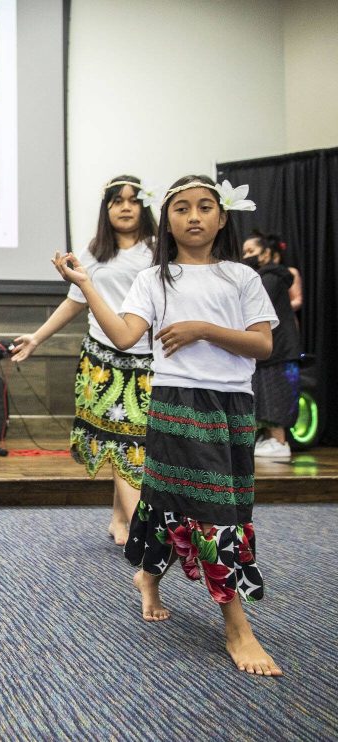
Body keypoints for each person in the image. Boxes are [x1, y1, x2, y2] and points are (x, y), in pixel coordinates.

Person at [53, 174, 282, 676]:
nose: (193, 216)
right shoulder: (153, 280)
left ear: (222, 218)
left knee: (171, 500)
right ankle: (237, 627)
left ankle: (148, 576)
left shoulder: (242, 278)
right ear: (170, 220)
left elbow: (263, 346)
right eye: (181, 208)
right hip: (177, 404)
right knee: (214, 508)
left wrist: (204, 330)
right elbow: (122, 333)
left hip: (232, 407)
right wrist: (86, 284)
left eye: (204, 207)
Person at [12, 176, 157, 545]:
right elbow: (75, 302)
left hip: (147, 361)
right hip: (101, 360)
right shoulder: (94, 251)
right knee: (118, 440)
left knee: (133, 442)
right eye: (116, 201)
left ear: (145, 206)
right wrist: (37, 337)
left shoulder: (159, 249)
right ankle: (133, 527)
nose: (125, 207)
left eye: (133, 200)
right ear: (106, 209)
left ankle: (120, 518)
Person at [242, 230, 301, 461]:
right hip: (271, 349)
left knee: (277, 394)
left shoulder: (271, 278)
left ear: (266, 253)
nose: (247, 256)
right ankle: (269, 438)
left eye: (251, 251)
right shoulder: (263, 276)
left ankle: (279, 441)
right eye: (244, 252)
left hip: (280, 350)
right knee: (264, 394)